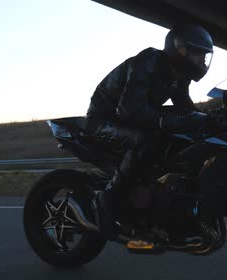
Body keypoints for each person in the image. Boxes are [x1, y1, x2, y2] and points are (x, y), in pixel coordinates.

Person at [85, 24, 214, 240]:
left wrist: (208, 120)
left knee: (184, 138)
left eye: (204, 55)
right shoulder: (149, 62)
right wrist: (166, 120)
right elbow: (128, 109)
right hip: (104, 120)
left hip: (135, 119)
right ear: (180, 49)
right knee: (146, 140)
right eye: (198, 53)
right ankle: (107, 198)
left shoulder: (179, 75)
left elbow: (182, 104)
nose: (202, 60)